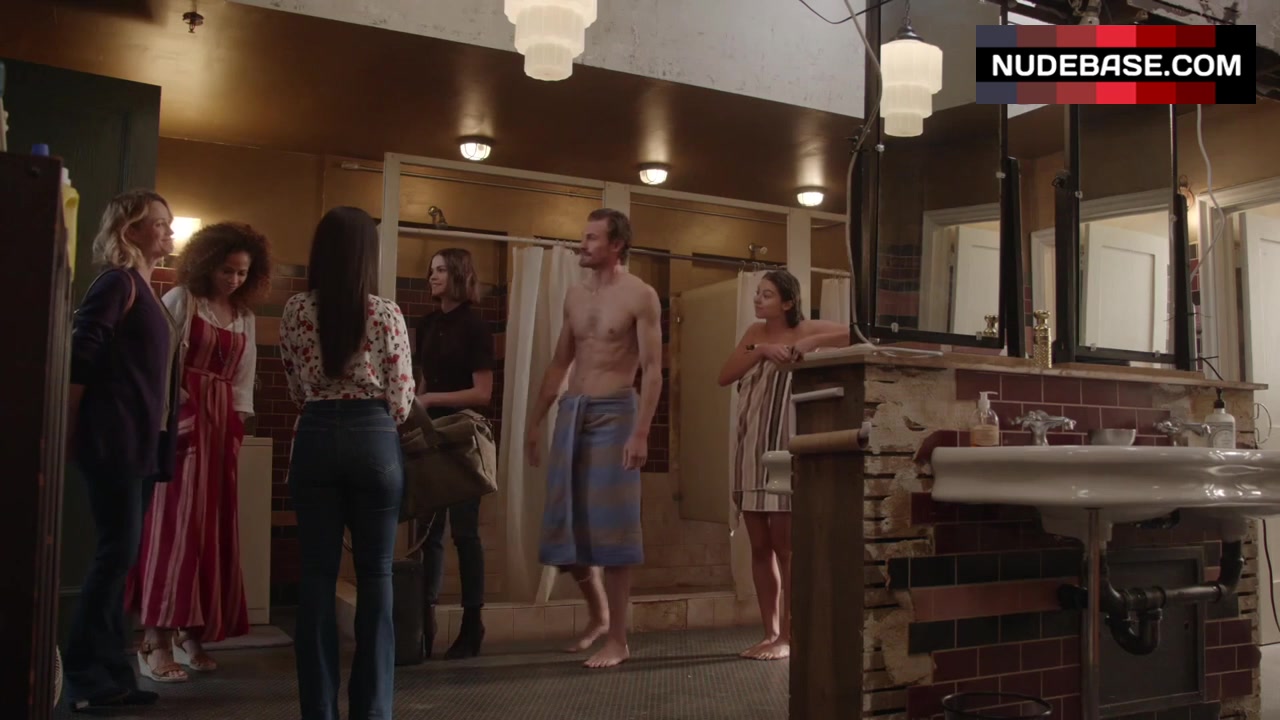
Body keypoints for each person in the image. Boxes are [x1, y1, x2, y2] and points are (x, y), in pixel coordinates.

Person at [279, 206, 414, 720]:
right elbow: (401, 399)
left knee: (316, 578)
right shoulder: (385, 313)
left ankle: (319, 710)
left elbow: (295, 386)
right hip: (373, 438)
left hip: (314, 435)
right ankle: (373, 710)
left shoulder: (295, 310)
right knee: (376, 576)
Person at [126, 222, 271, 681]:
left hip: (221, 427)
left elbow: (243, 381)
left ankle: (191, 633)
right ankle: (154, 640)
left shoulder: (244, 316)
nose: (234, 280)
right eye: (227, 270)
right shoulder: (182, 300)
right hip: (183, 423)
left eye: (242, 273)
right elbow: (157, 363)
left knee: (211, 529)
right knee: (173, 529)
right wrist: (174, 420)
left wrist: (236, 429)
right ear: (207, 263)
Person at [525, 208, 663, 670]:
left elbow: (654, 371)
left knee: (614, 530)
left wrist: (641, 432)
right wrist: (534, 422)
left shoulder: (640, 295)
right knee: (566, 523)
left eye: (591, 238)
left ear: (616, 245)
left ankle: (618, 639)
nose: (581, 245)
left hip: (616, 414)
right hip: (573, 412)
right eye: (583, 236)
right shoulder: (575, 295)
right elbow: (559, 363)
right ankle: (599, 615)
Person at [64, 190, 181, 711]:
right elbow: (83, 354)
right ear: (129, 229)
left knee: (121, 557)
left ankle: (113, 674)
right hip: (114, 440)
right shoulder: (118, 282)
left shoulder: (145, 287)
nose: (169, 232)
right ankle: (86, 677)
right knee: (115, 556)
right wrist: (70, 427)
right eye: (158, 223)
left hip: (140, 442)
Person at [717, 269, 849, 661]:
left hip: (785, 452)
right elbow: (725, 375)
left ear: (788, 302)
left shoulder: (806, 327)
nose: (758, 300)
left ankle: (789, 637)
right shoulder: (753, 334)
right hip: (751, 448)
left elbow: (857, 335)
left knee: (785, 548)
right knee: (758, 546)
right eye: (758, 293)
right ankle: (769, 632)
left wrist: (810, 342)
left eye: (768, 295)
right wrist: (760, 350)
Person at [413, 248, 495, 659]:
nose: (433, 276)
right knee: (427, 532)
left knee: (465, 533)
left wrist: (431, 400)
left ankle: (471, 623)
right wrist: (416, 407)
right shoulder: (426, 324)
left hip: (463, 436)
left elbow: (483, 393)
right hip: (429, 434)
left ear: (460, 274)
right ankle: (423, 624)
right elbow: (423, 381)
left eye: (441, 270)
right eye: (432, 270)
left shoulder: (476, 327)